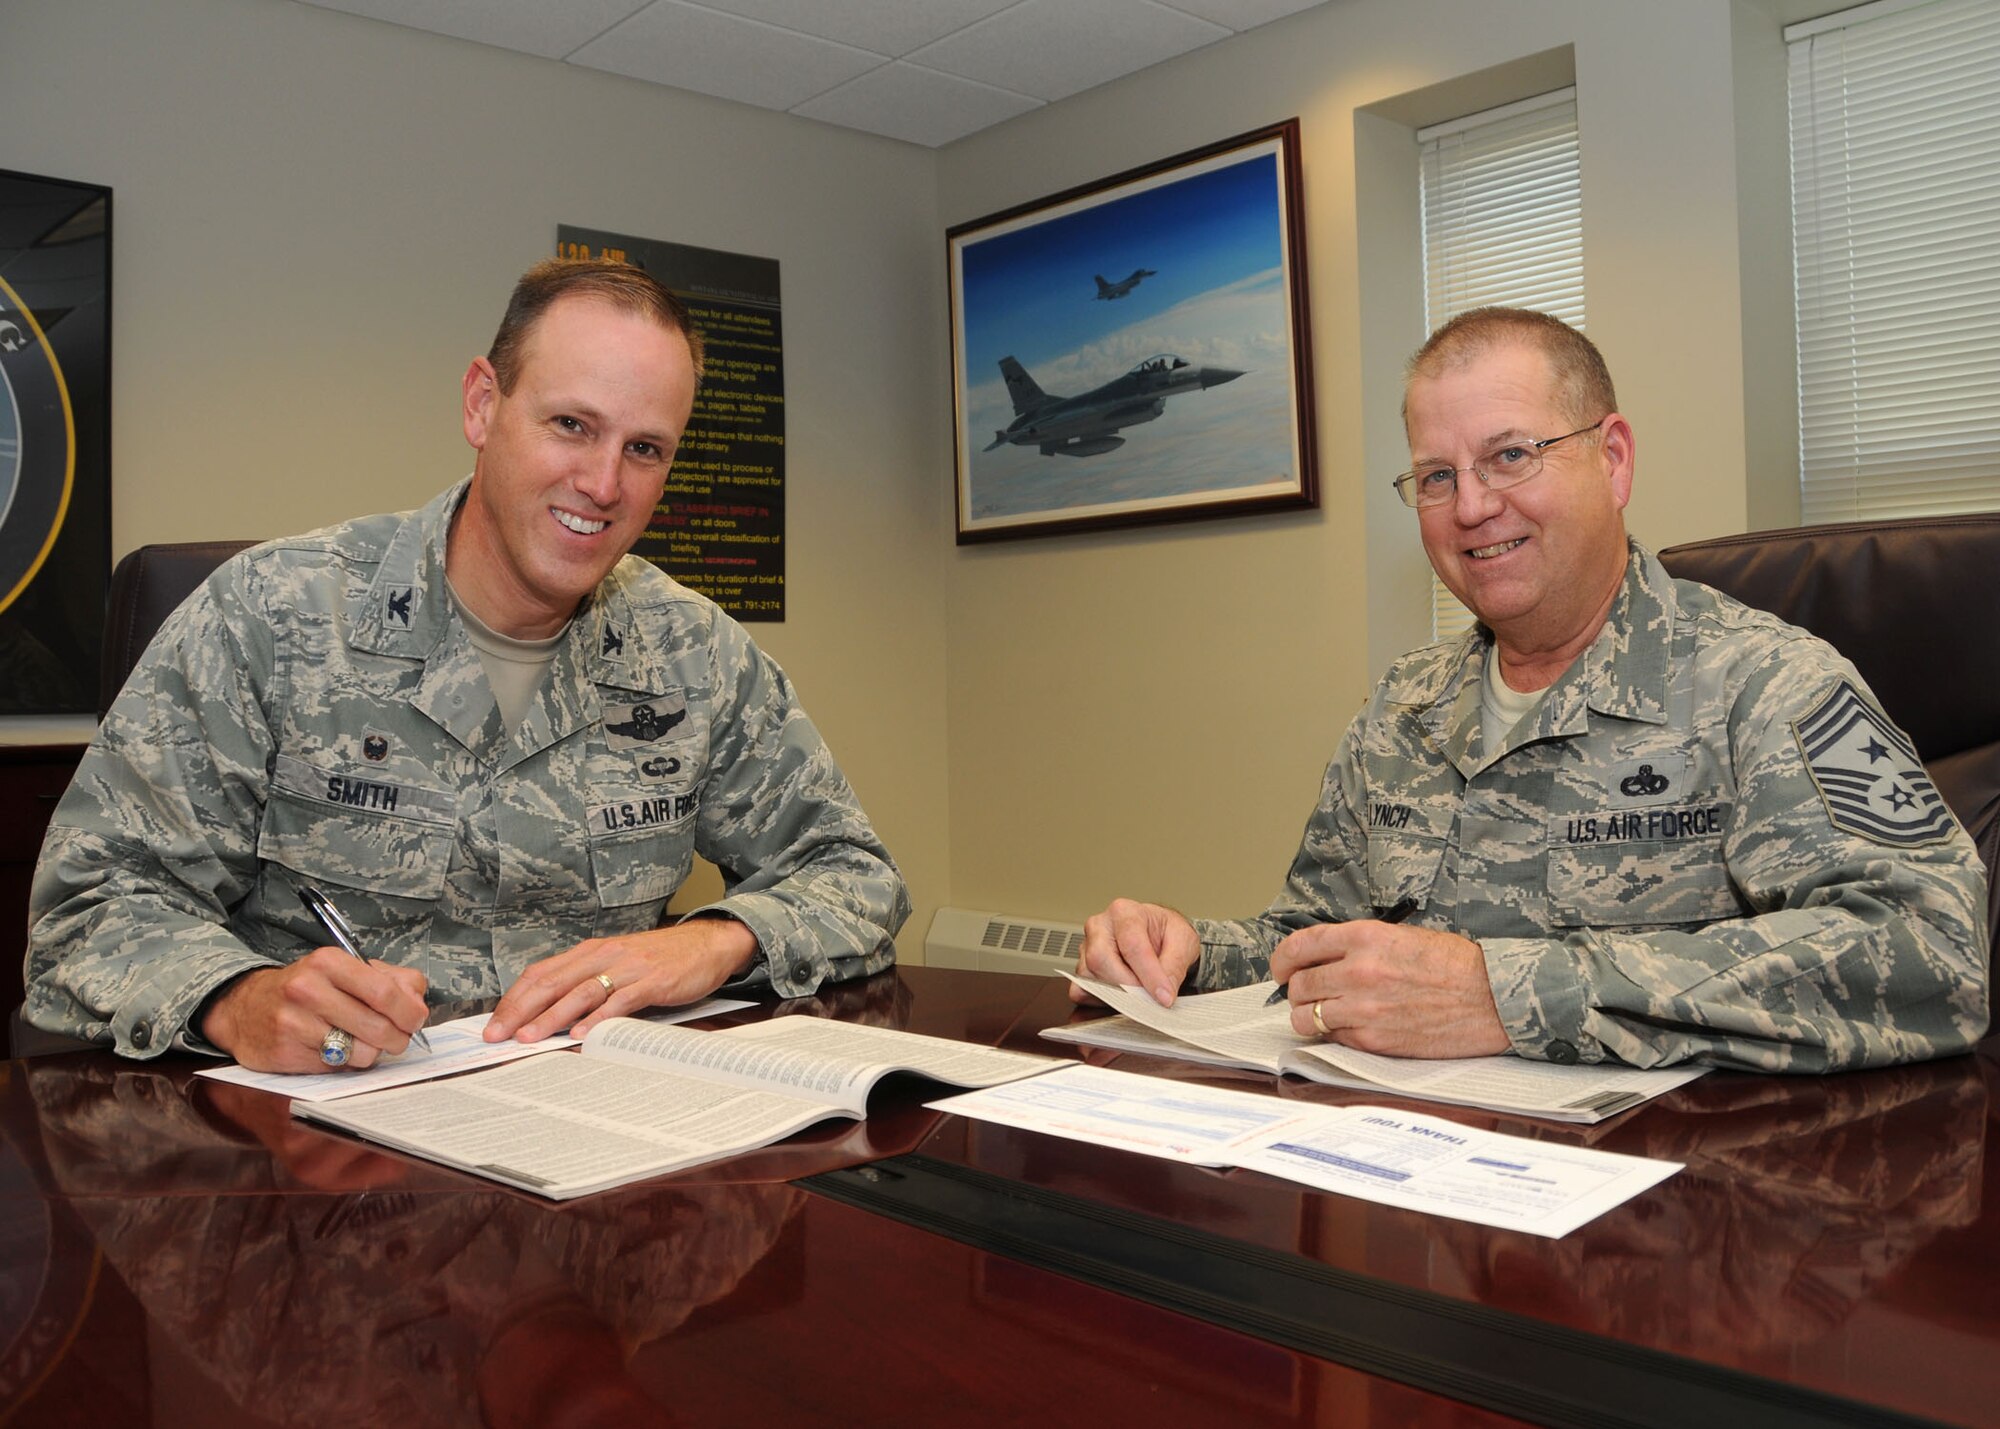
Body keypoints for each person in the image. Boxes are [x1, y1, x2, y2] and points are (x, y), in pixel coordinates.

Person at [27, 259, 909, 1071]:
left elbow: (855, 875)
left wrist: (711, 940)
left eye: (645, 448)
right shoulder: (273, 614)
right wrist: (231, 997)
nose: (605, 483)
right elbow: (90, 905)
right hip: (322, 1170)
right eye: (572, 425)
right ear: (483, 406)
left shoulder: (692, 654)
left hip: (604, 1153)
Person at [1076, 307, 1989, 1072]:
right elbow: (1319, 936)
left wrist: (1505, 995)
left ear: (1614, 459)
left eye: (1510, 455)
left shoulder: (1766, 684)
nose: (1471, 506)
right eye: (1438, 476)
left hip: (1677, 1220)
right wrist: (1192, 956)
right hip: (1417, 1193)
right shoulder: (1403, 708)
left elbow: (1932, 950)